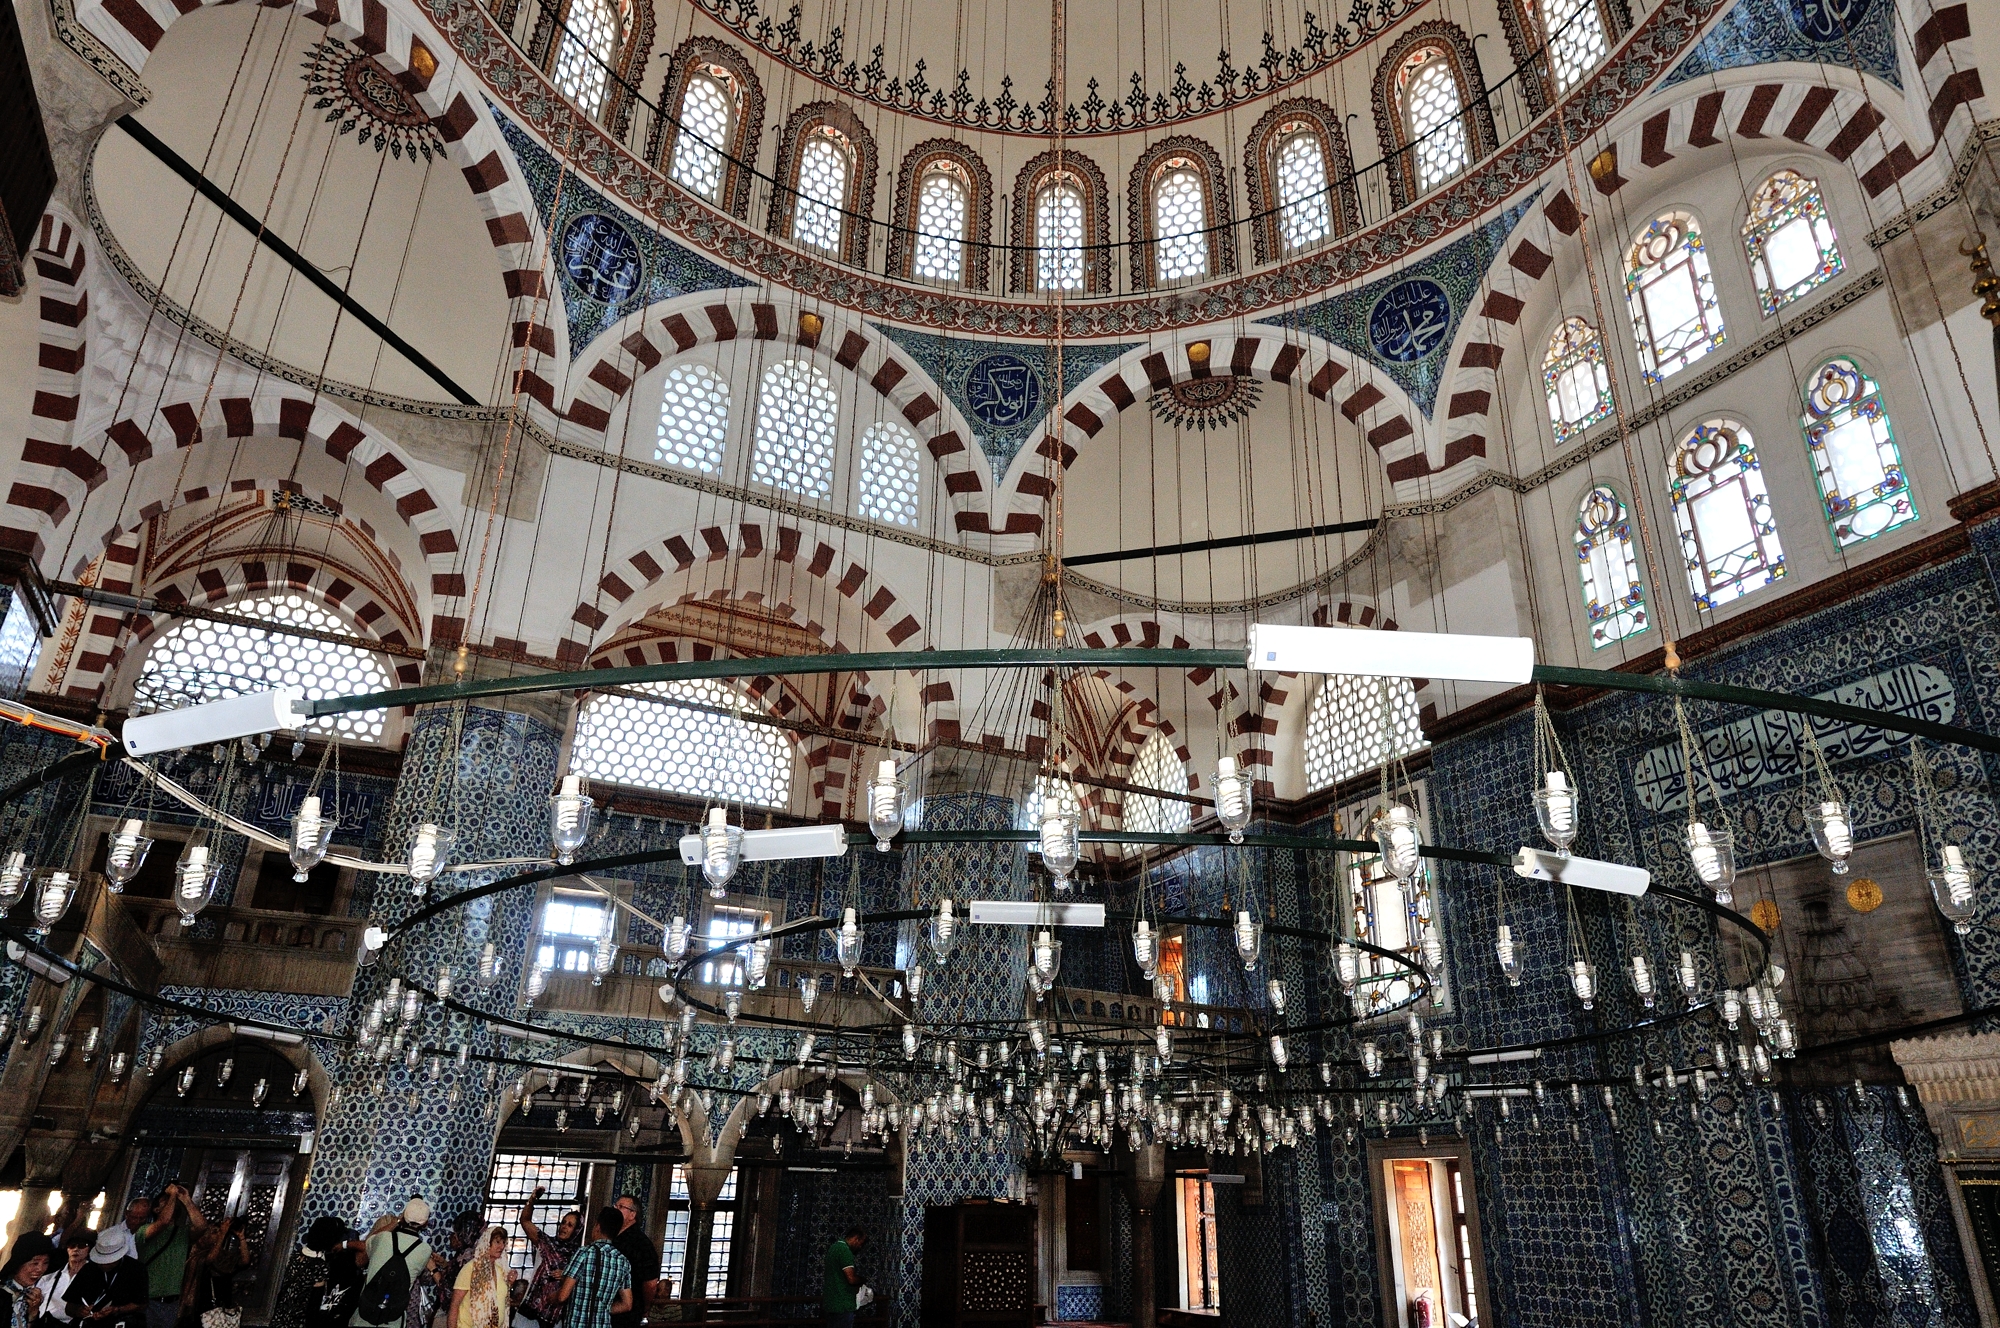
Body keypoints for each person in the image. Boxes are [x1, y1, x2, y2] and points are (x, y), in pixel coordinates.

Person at [349, 1202, 432, 1328]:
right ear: (425, 1223)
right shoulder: (425, 1250)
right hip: (393, 1320)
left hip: (363, 1316)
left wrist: (397, 1221)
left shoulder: (382, 1238)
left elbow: (367, 1245)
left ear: (403, 1216)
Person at [138, 1187, 206, 1328]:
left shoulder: (182, 1233)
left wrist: (186, 1199)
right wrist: (173, 1195)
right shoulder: (144, 1230)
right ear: (156, 1210)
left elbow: (201, 1226)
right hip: (147, 1301)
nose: (172, 1201)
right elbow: (164, 1221)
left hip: (171, 1303)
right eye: (166, 1200)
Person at [553, 1211, 628, 1328]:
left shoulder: (584, 1253)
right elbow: (627, 1304)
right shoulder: (623, 1261)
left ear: (597, 1227)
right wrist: (602, 1309)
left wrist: (550, 1298)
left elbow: (563, 1295)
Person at [514, 1194, 578, 1328]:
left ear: (577, 1230)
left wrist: (566, 1276)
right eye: (563, 1222)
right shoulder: (547, 1243)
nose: (564, 1227)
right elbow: (525, 1221)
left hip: (554, 1317)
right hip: (530, 1312)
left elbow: (581, 1284)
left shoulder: (579, 1256)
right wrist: (532, 1199)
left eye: (570, 1225)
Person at [67, 1227, 148, 1328]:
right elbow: (69, 1307)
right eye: (100, 1260)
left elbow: (141, 1304)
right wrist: (79, 1311)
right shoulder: (89, 1268)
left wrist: (116, 1310)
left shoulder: (136, 1269)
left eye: (108, 1261)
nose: (103, 1264)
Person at [178, 1216, 249, 1328]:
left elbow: (244, 1261)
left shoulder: (224, 1256)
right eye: (215, 1232)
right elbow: (210, 1259)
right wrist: (222, 1233)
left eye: (219, 1232)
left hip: (222, 1302)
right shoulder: (199, 1254)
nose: (218, 1235)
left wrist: (241, 1237)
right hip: (203, 1302)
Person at [444, 1229, 511, 1328]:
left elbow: (501, 1299)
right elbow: (455, 1304)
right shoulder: (470, 1269)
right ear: (487, 1242)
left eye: (503, 1242)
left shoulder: (501, 1271)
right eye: (497, 1242)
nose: (501, 1246)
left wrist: (510, 1282)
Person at [605, 1202, 654, 1328]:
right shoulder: (611, 1239)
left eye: (621, 1207)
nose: (616, 1209)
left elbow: (650, 1283)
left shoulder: (643, 1244)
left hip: (626, 1314)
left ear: (632, 1215)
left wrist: (645, 1307)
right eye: (615, 1206)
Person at [33, 1238, 88, 1327]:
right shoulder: (48, 1278)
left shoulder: (93, 1278)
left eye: (82, 1246)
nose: (76, 1249)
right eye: (72, 1246)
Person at [0, 1235, 52, 1328]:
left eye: (45, 1263)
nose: (40, 1269)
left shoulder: (33, 1297)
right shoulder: (2, 1293)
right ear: (20, 1262)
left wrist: (33, 1315)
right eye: (35, 1263)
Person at [820, 1229, 865, 1328]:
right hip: (843, 1303)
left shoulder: (834, 1248)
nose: (860, 1247)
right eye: (860, 1244)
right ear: (856, 1239)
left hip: (831, 1302)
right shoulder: (845, 1251)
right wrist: (862, 1280)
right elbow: (851, 1279)